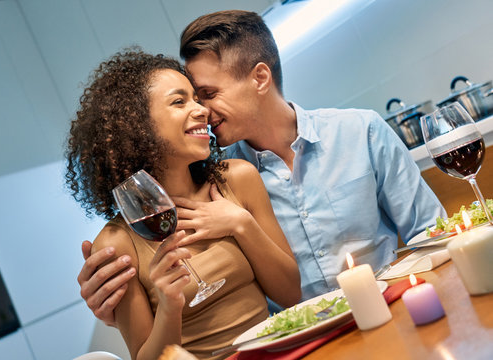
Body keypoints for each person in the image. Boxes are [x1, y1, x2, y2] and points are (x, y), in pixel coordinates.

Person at [77, 10, 446, 326]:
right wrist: (123, 304)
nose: (201, 110)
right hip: (297, 343)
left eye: (207, 94)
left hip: (395, 311)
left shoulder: (360, 131)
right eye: (189, 98)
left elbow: (431, 235)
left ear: (259, 78)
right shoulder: (218, 180)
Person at [65, 48, 301, 359]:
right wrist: (169, 304)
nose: (202, 110)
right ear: (137, 126)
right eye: (180, 101)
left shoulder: (238, 179)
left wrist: (241, 224)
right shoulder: (117, 243)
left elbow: (291, 294)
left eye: (196, 98)